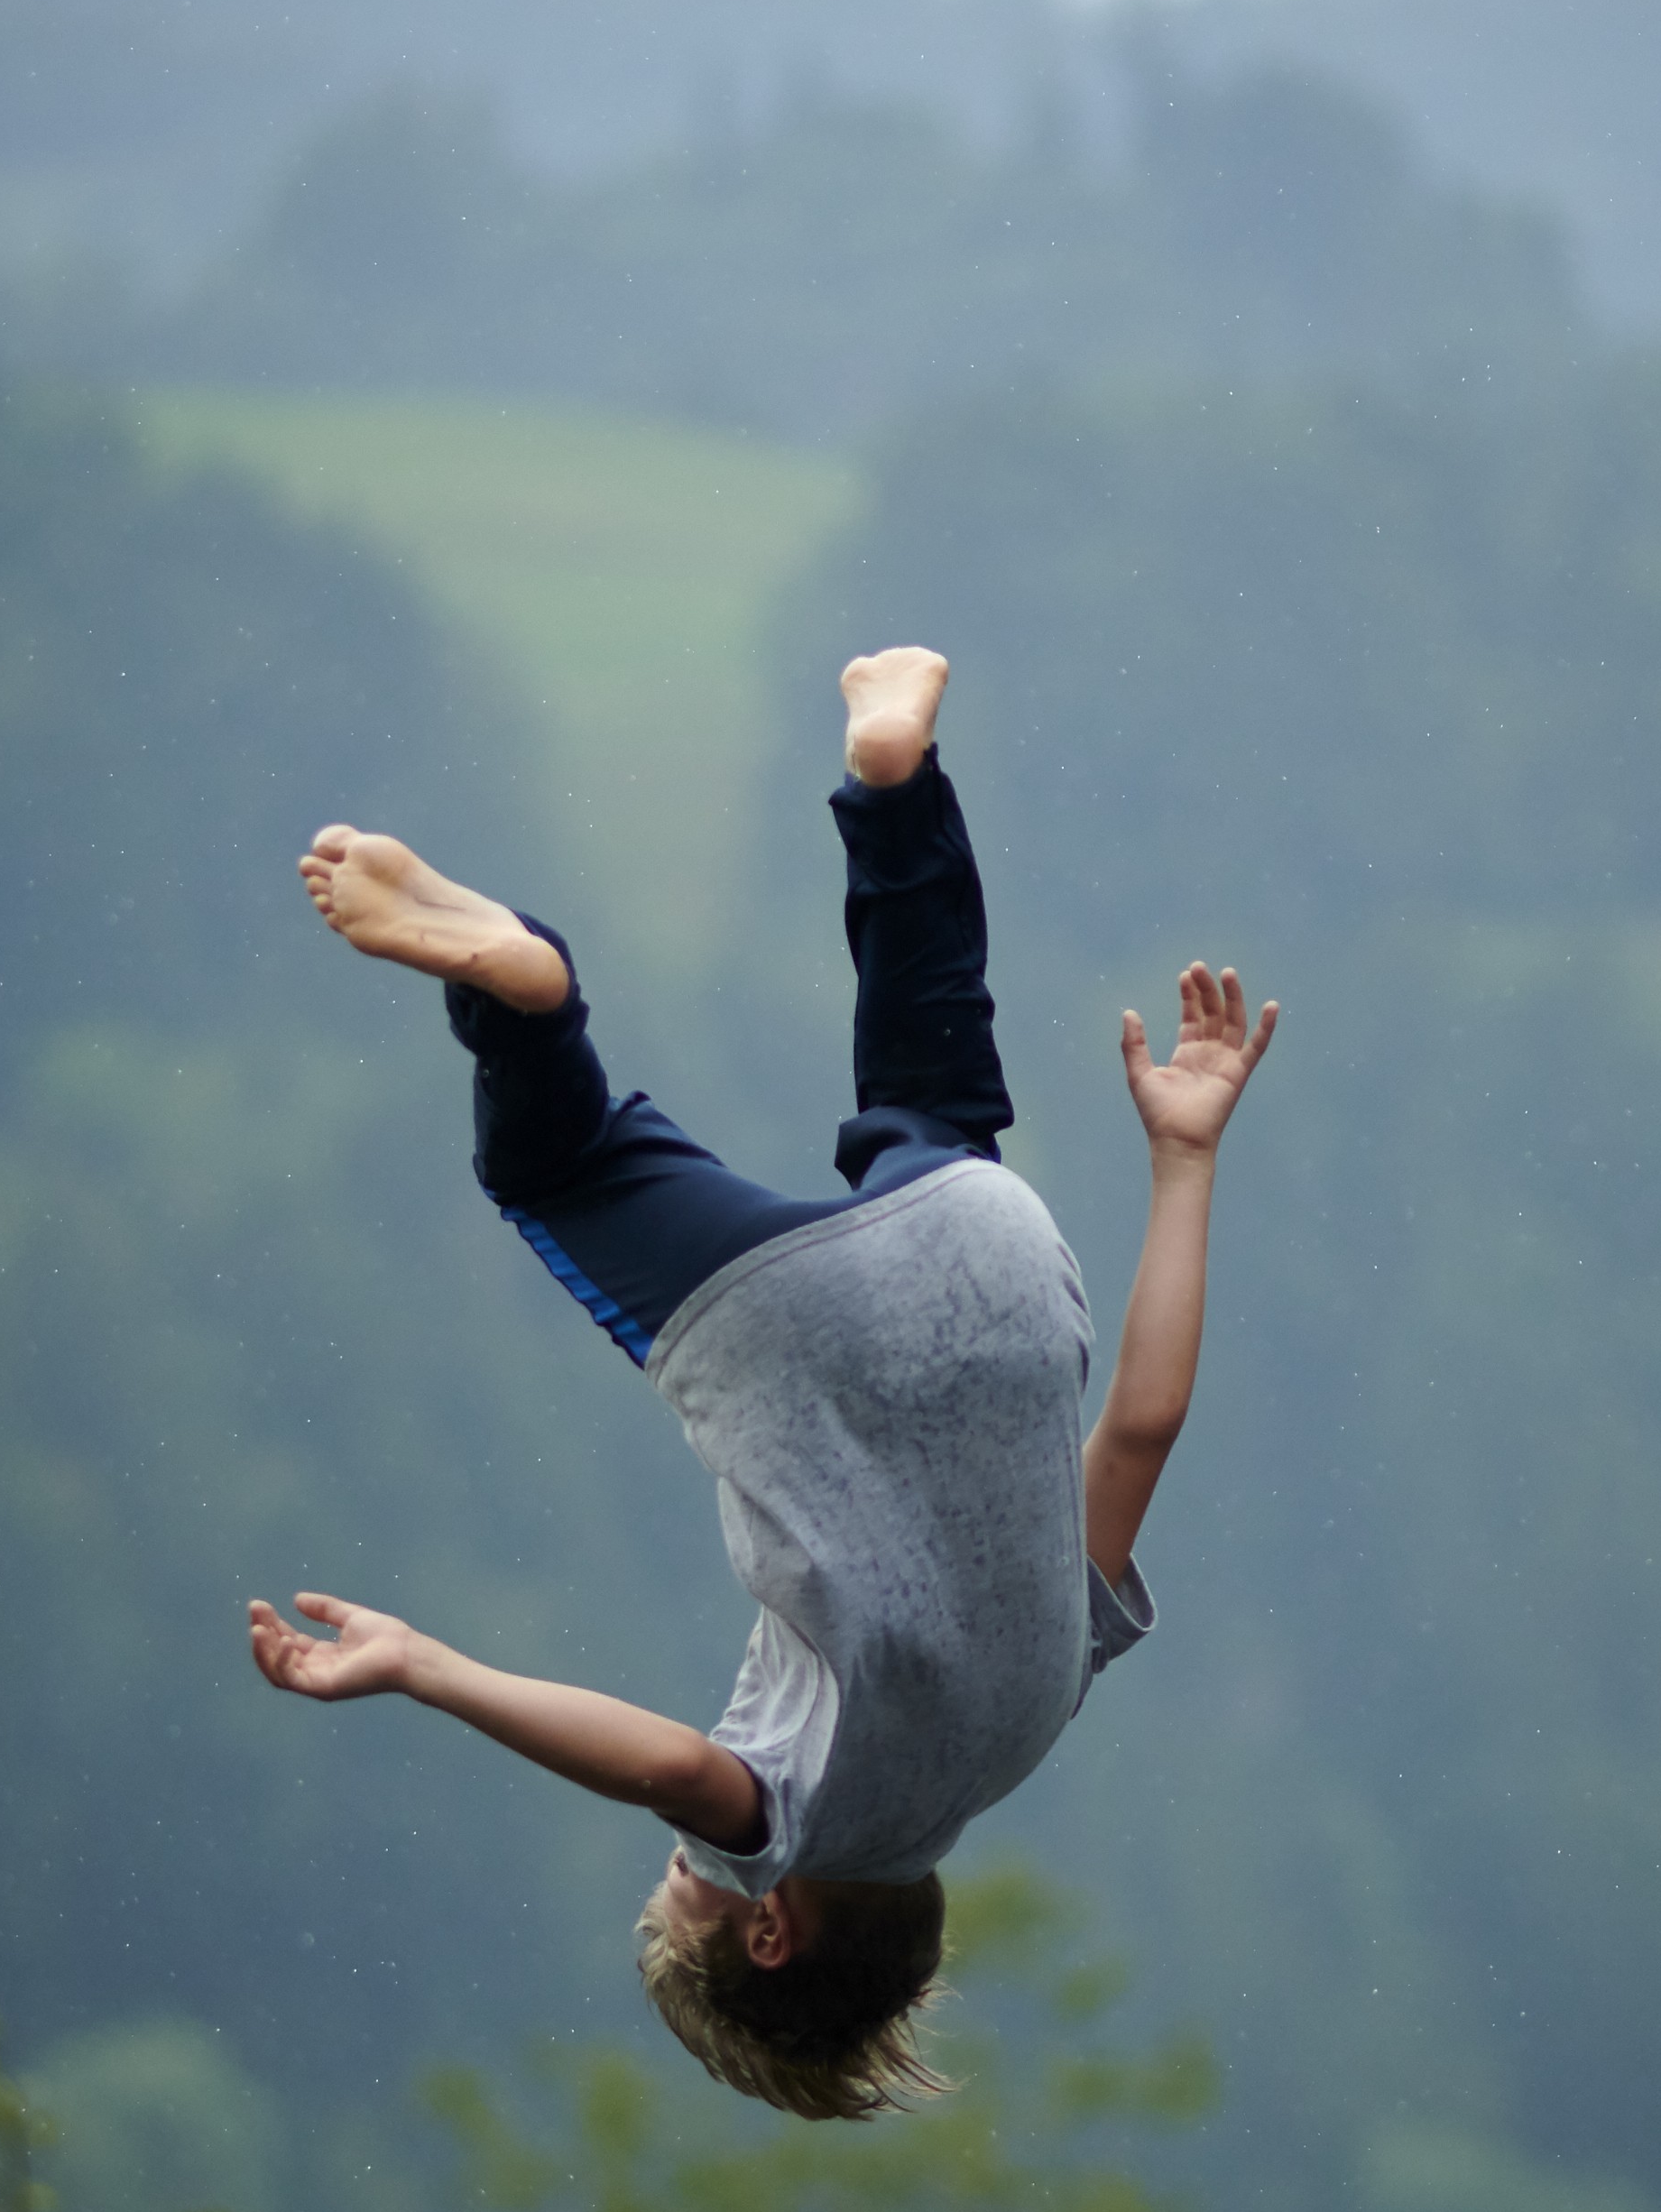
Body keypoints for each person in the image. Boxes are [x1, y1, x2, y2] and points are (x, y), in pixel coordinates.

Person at [246, 647, 1274, 2119]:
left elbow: (1146, 1426)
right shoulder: (791, 1820)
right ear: (774, 1927)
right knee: (558, 1165)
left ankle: (895, 781)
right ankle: (524, 1001)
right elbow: (673, 1771)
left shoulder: (1033, 1723)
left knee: (928, 1081)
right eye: (691, 1892)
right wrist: (424, 1667)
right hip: (804, 1346)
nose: (696, 1868)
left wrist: (1183, 1157)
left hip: (990, 1263)